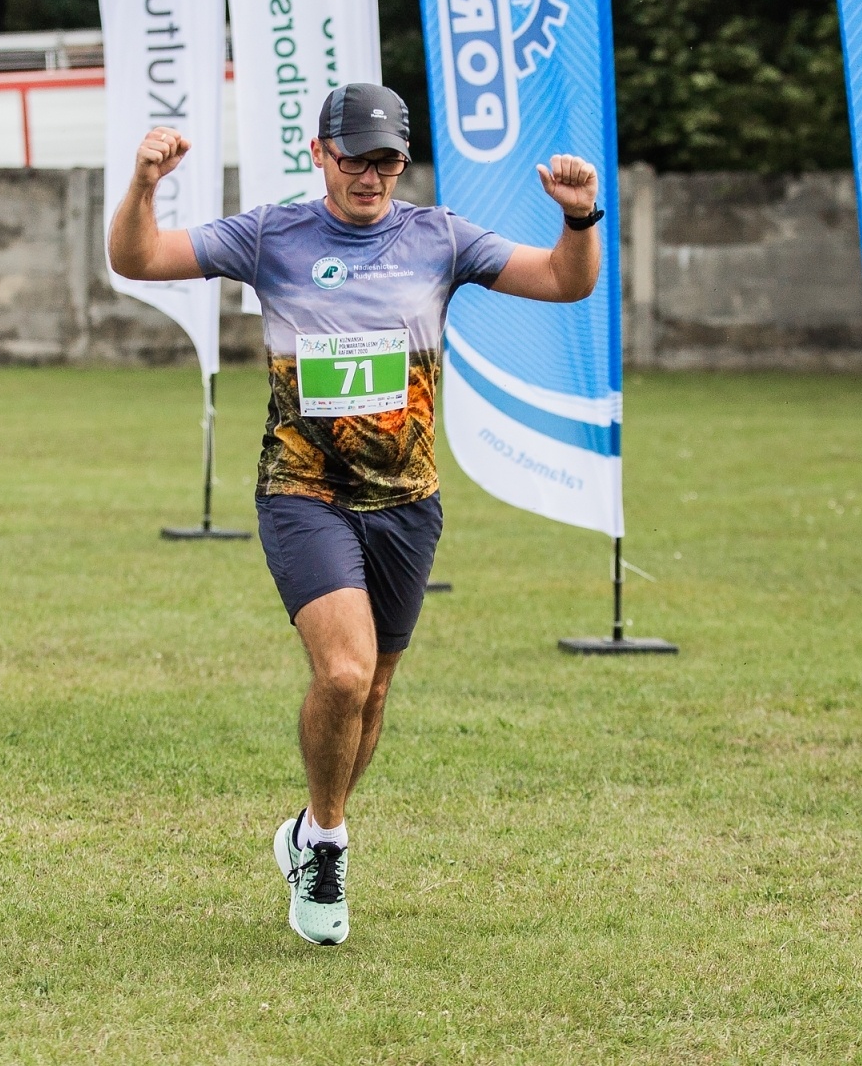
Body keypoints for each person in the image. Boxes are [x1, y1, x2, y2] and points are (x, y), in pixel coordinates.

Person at [108, 84, 603, 946]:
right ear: (319, 153)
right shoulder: (272, 234)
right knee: (342, 672)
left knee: (372, 691)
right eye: (353, 157)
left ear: (402, 164)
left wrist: (581, 217)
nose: (369, 175)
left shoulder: (440, 238)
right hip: (304, 490)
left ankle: (306, 827)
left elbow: (565, 283)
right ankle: (330, 848)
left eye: (385, 160)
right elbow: (138, 259)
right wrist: (144, 185)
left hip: (408, 501)